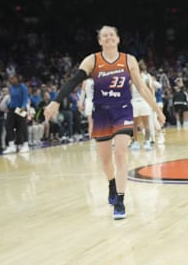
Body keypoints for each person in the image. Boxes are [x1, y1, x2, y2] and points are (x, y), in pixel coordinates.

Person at [44, 25, 166, 219]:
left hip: (123, 111)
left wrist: (158, 110)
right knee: (105, 159)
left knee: (120, 153)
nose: (108, 38)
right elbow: (73, 81)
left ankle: (120, 199)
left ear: (118, 39)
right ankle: (111, 183)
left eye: (112, 35)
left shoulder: (128, 60)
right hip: (101, 114)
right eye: (104, 36)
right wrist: (55, 101)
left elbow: (142, 88)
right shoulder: (92, 60)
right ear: (100, 41)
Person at [3, 74, 30, 154]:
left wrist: (23, 107)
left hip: (21, 108)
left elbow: (25, 98)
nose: (10, 80)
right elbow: (12, 99)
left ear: (17, 79)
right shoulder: (11, 88)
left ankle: (25, 144)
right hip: (12, 108)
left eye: (12, 78)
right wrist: (8, 106)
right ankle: (11, 146)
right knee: (8, 126)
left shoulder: (23, 87)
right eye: (10, 79)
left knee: (22, 126)